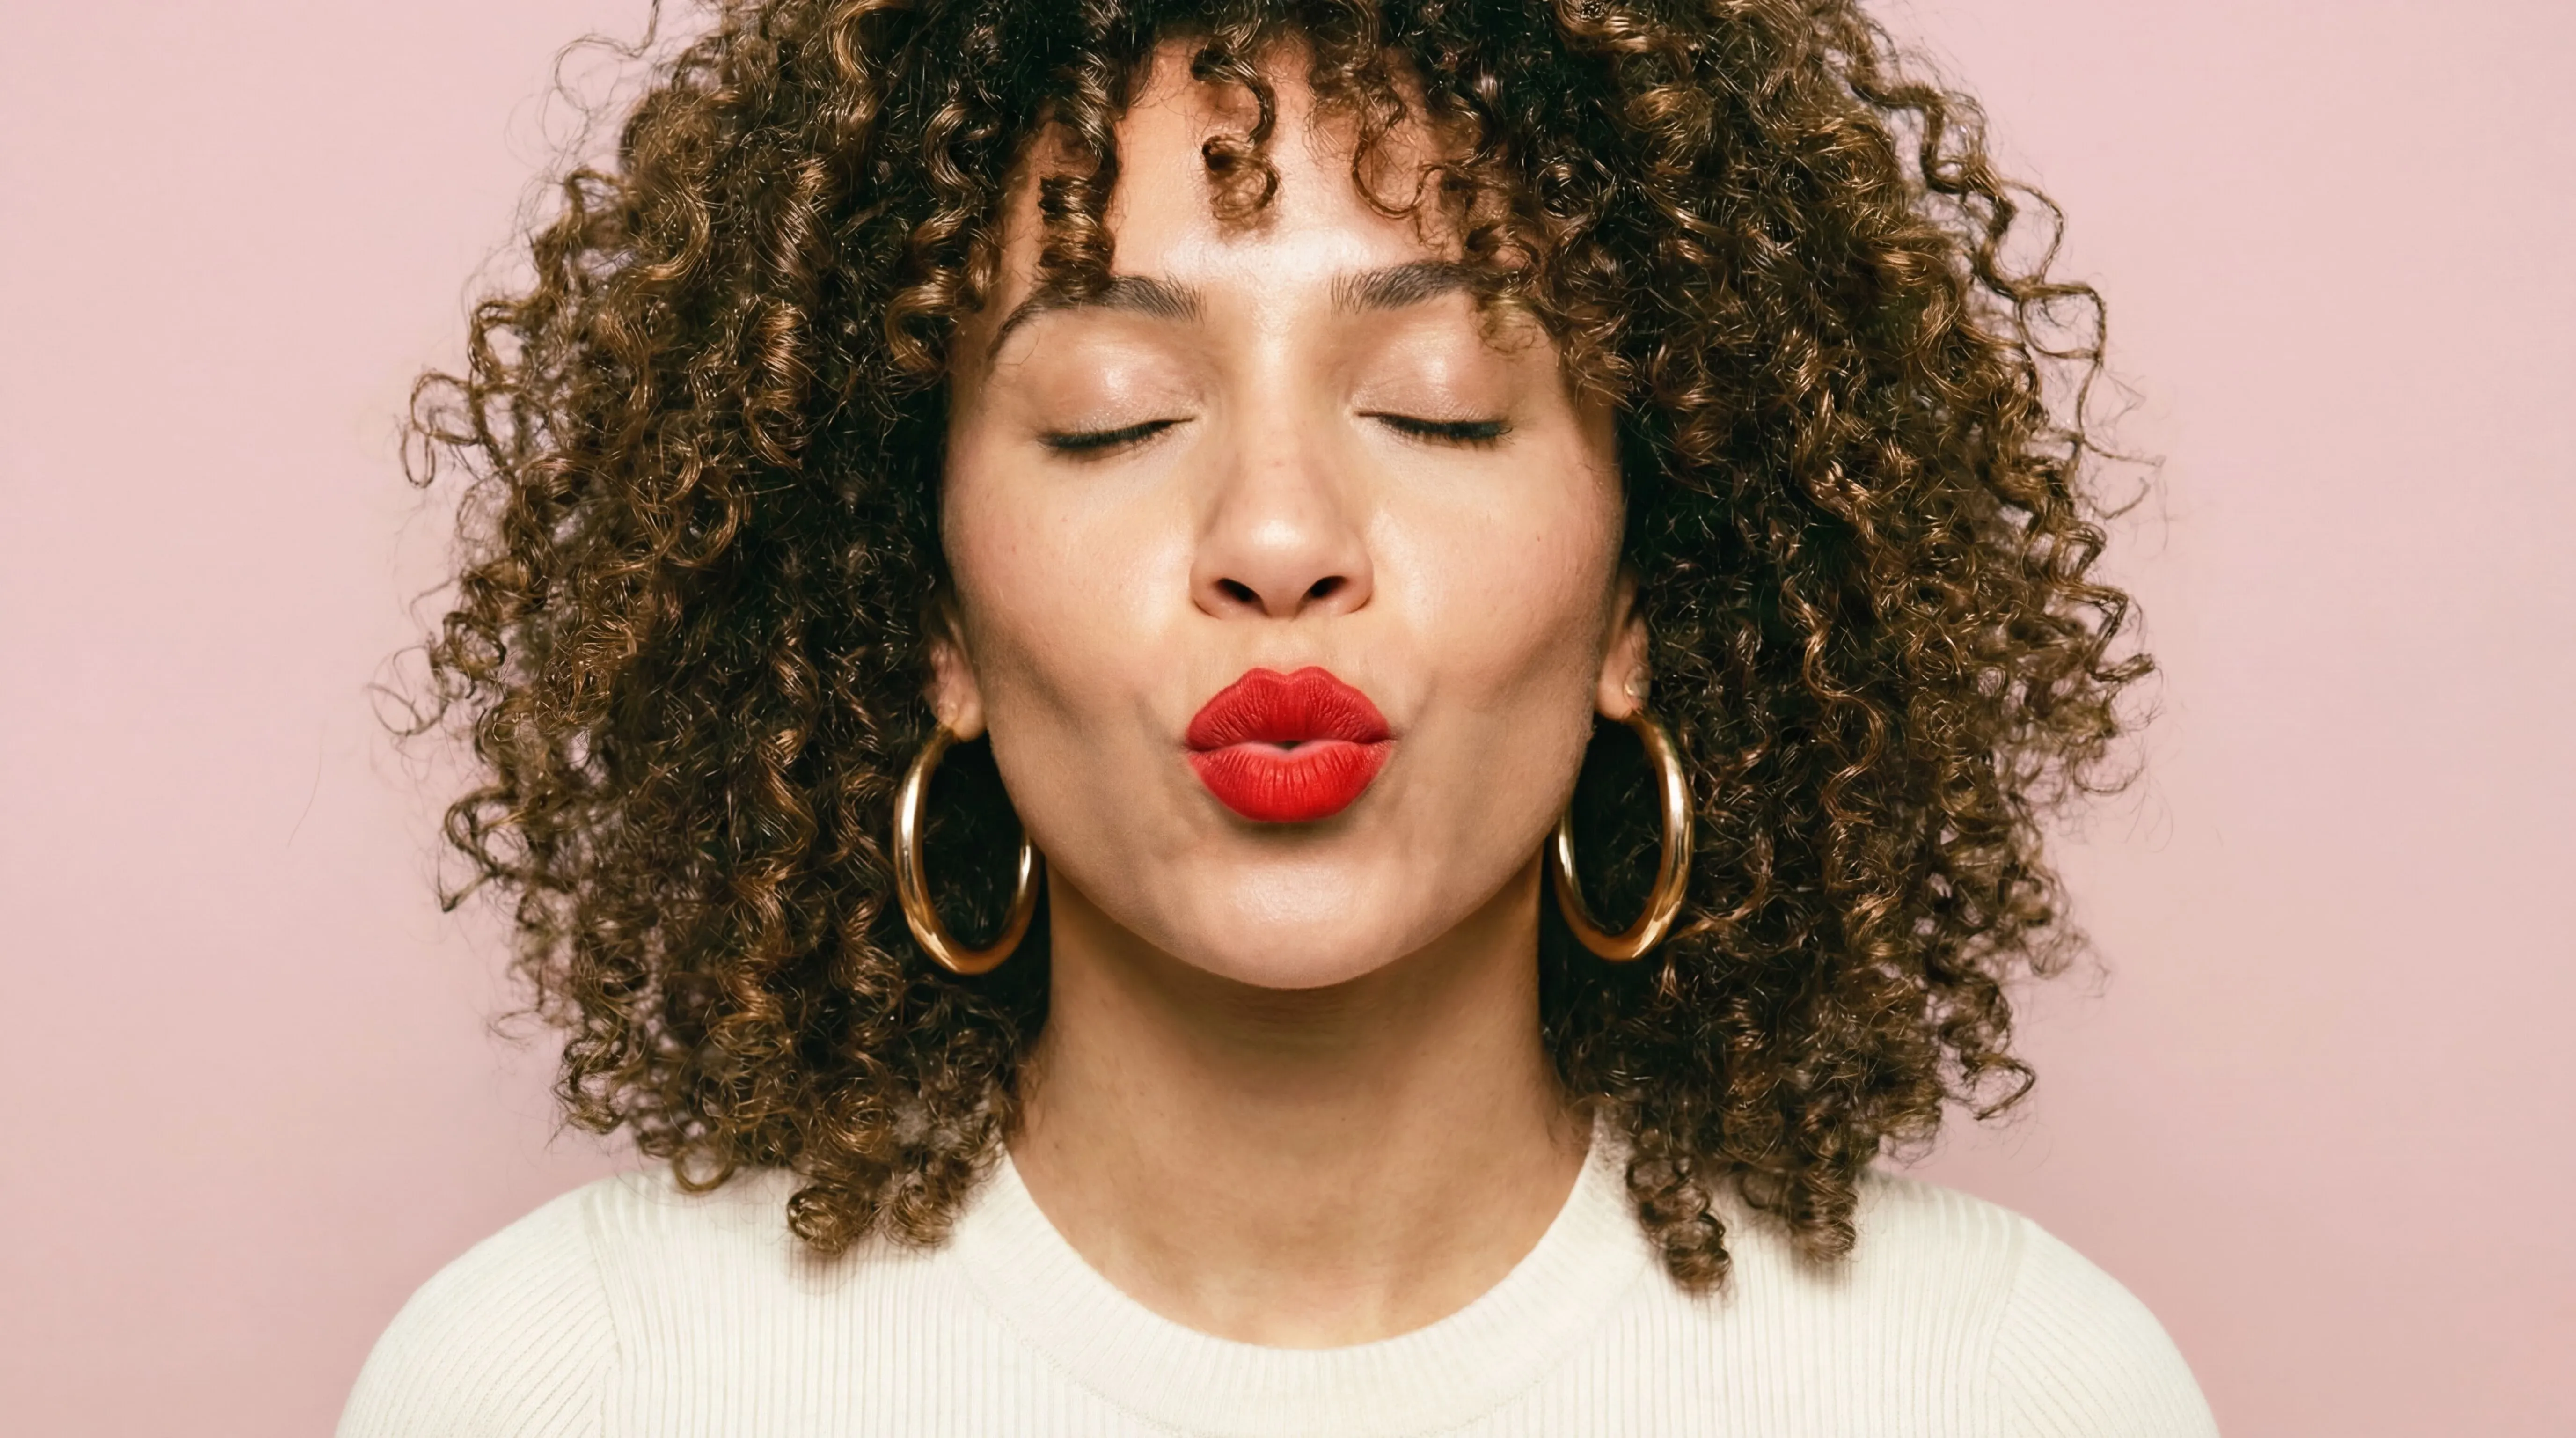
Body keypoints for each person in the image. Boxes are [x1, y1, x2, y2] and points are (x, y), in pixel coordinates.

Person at [343, 1, 2214, 1432]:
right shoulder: (574, 1386)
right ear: (931, 619)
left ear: (1646, 594)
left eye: (1437, 403)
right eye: (1108, 416)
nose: (1275, 540)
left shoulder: (2002, 1390)